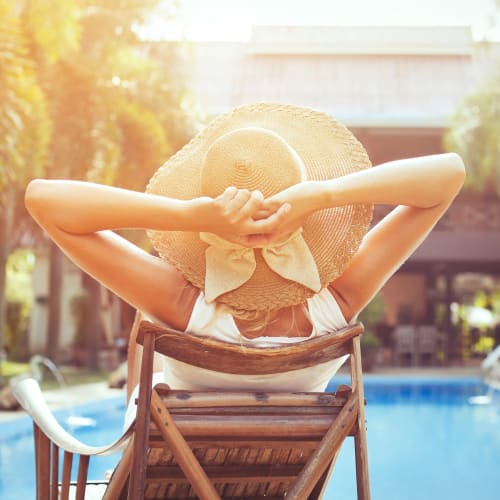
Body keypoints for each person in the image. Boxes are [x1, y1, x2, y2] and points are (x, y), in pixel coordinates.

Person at [25, 103, 465, 411]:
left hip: (174, 477)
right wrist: (323, 194)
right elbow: (449, 173)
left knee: (146, 323)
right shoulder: (339, 302)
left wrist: (188, 215)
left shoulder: (179, 306)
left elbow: (43, 200)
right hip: (291, 482)